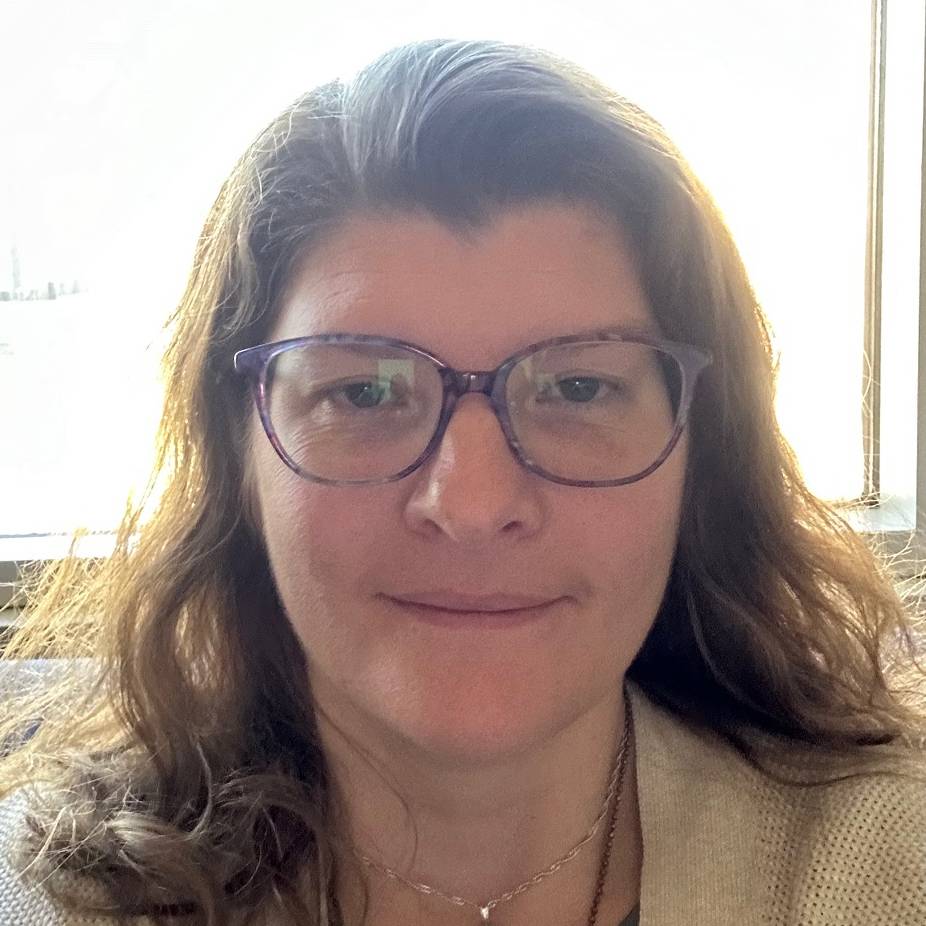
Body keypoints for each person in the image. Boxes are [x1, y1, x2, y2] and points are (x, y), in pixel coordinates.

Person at [0, 38, 924, 926]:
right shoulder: (40, 900)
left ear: (700, 453)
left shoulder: (893, 870)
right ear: (238, 457)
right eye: (363, 392)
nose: (474, 506)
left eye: (578, 388)